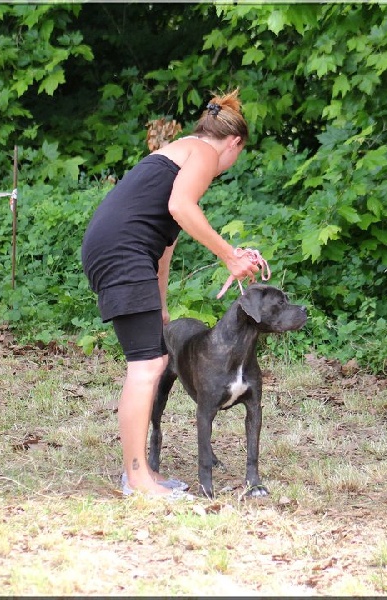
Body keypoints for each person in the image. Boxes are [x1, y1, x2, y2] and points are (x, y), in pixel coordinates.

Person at [81, 89, 259, 497]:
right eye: (238, 155)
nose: (228, 165)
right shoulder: (204, 153)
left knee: (153, 359)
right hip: (121, 249)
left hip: (120, 247)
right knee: (146, 366)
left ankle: (141, 473)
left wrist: (160, 305)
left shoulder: (178, 151)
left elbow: (164, 242)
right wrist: (231, 256)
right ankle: (138, 479)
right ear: (234, 143)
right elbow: (182, 207)